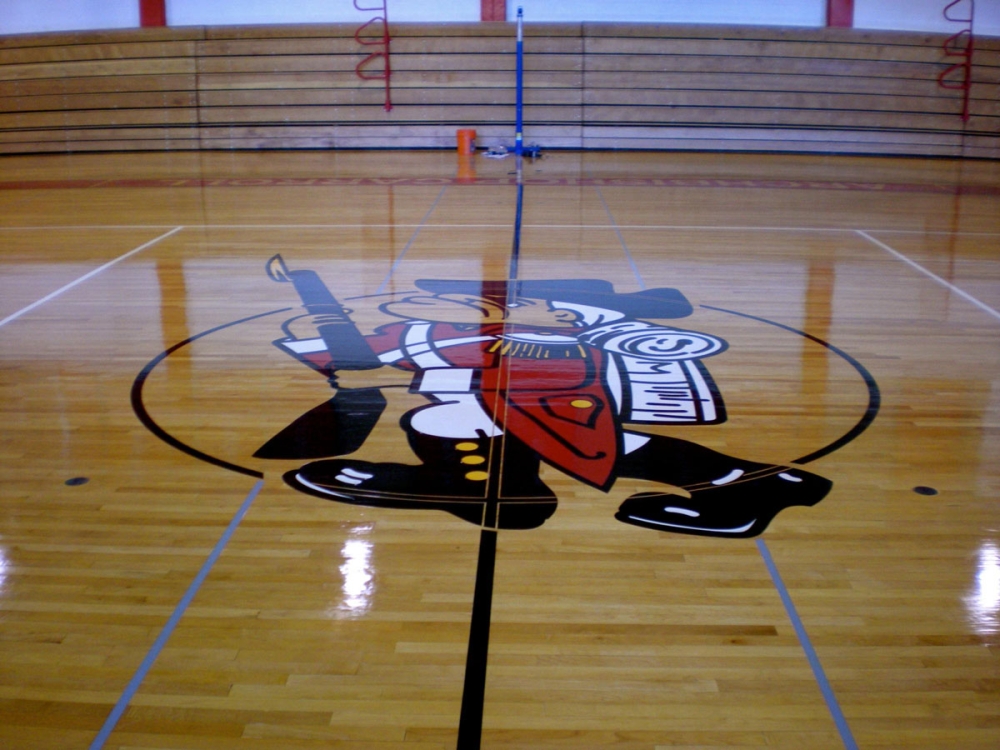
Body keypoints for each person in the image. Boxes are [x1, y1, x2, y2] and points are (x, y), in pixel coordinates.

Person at [262, 278, 831, 537]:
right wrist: (337, 336)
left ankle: (488, 493)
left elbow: (397, 360)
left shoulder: (544, 337)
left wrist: (362, 352)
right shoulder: (482, 333)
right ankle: (759, 481)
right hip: (547, 401)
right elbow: (379, 357)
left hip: (555, 399)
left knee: (454, 419)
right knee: (486, 422)